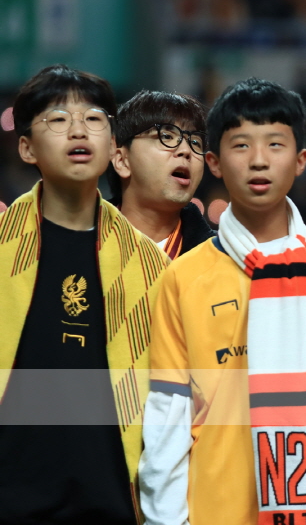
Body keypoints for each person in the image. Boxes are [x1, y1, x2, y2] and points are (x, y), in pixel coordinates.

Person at [139, 78, 306, 525]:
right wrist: (167, 518)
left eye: (275, 144)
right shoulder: (183, 278)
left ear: (300, 160)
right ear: (215, 162)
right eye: (241, 145)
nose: (258, 160)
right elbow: (168, 410)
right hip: (216, 508)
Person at [0, 65, 168, 524]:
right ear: (26, 148)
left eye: (94, 118)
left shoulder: (151, 267)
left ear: (113, 146)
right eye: (58, 119)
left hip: (112, 505)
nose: (78, 129)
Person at [108, 90, 213, 258]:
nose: (186, 150)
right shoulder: (81, 247)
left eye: (195, 142)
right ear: (121, 161)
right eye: (166, 136)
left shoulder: (222, 258)